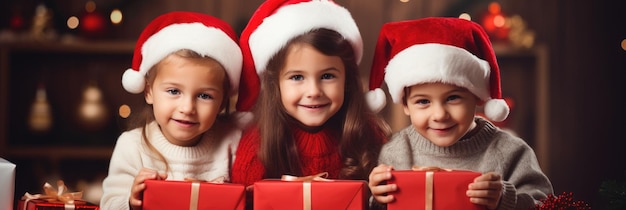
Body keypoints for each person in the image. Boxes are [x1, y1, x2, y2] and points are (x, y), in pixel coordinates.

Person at [366, 17, 553, 210]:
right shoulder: (395, 153)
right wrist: (378, 199)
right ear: (405, 105)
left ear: (478, 96)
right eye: (423, 101)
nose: (439, 114)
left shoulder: (510, 152)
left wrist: (504, 199)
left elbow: (548, 205)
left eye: (453, 98)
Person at [231, 0, 390, 207]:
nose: (314, 92)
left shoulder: (370, 134)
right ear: (275, 85)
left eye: (327, 76)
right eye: (297, 77)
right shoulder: (258, 144)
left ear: (347, 80)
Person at [100, 11, 243, 210]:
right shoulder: (132, 146)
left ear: (222, 101)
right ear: (149, 91)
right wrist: (131, 201)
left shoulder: (233, 143)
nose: (187, 108)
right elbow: (108, 205)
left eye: (204, 96)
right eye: (174, 91)